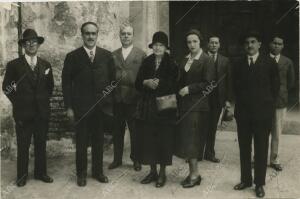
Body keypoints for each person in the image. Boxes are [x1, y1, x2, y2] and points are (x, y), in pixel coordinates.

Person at [62, 22, 115, 187]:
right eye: (87, 33)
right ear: (82, 35)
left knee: (99, 141)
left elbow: (113, 82)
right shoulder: (72, 57)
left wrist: (107, 101)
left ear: (97, 35)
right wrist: (69, 107)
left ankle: (98, 172)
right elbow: (66, 84)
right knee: (82, 142)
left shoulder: (106, 56)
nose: (90, 36)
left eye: (93, 33)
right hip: (81, 109)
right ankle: (81, 174)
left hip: (100, 108)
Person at [2, 29, 54, 187]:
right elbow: (7, 88)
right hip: (23, 113)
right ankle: (22, 176)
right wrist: (18, 102)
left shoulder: (45, 64)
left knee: (40, 144)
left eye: (34, 42)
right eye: (28, 42)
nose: (31, 44)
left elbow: (49, 87)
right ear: (23, 45)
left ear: (38, 44)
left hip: (41, 113)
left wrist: (42, 101)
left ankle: (41, 172)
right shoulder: (14, 65)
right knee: (23, 145)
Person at [233, 31, 279, 198]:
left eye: (253, 42)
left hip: (262, 115)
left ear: (260, 44)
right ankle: (246, 179)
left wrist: (266, 107)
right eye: (247, 42)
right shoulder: (238, 63)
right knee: (244, 148)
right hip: (243, 114)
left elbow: (275, 88)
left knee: (260, 149)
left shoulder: (269, 62)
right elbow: (235, 87)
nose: (250, 45)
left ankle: (259, 184)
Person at [135, 31, 178, 188]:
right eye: (155, 45)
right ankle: (152, 171)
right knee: (149, 139)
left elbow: (175, 84)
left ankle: (162, 173)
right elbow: (137, 82)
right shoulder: (147, 62)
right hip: (149, 107)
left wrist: (160, 84)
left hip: (165, 107)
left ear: (166, 47)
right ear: (152, 46)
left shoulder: (172, 63)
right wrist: (146, 82)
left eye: (161, 45)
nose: (158, 48)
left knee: (164, 140)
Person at [175, 29, 215, 188]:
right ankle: (193, 173)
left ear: (200, 42)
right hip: (185, 105)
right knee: (187, 139)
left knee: (193, 140)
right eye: (189, 42)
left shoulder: (206, 59)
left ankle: (194, 174)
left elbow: (209, 83)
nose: (191, 45)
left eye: (195, 41)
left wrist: (189, 89)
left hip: (198, 106)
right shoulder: (185, 59)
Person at [109, 23, 146, 171]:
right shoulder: (112, 55)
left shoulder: (141, 54)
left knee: (135, 130)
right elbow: (110, 76)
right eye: (123, 33)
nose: (125, 36)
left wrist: (141, 96)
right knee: (117, 130)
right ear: (119, 36)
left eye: (128, 34)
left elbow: (144, 76)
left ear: (133, 36)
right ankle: (117, 159)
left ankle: (136, 159)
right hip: (118, 98)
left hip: (134, 98)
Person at [203, 35, 232, 163]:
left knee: (212, 127)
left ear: (219, 45)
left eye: (216, 43)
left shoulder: (225, 61)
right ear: (208, 44)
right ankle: (196, 153)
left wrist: (227, 100)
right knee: (199, 126)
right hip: (202, 98)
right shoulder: (202, 58)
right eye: (211, 43)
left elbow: (228, 81)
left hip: (217, 99)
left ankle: (209, 153)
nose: (214, 45)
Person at [268, 34, 295, 171]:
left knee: (277, 132)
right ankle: (258, 158)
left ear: (283, 46)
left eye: (279, 44)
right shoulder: (262, 59)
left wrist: (282, 92)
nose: (276, 46)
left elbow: (290, 82)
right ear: (270, 44)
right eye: (274, 43)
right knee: (260, 131)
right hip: (264, 101)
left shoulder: (287, 62)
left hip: (280, 101)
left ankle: (275, 159)